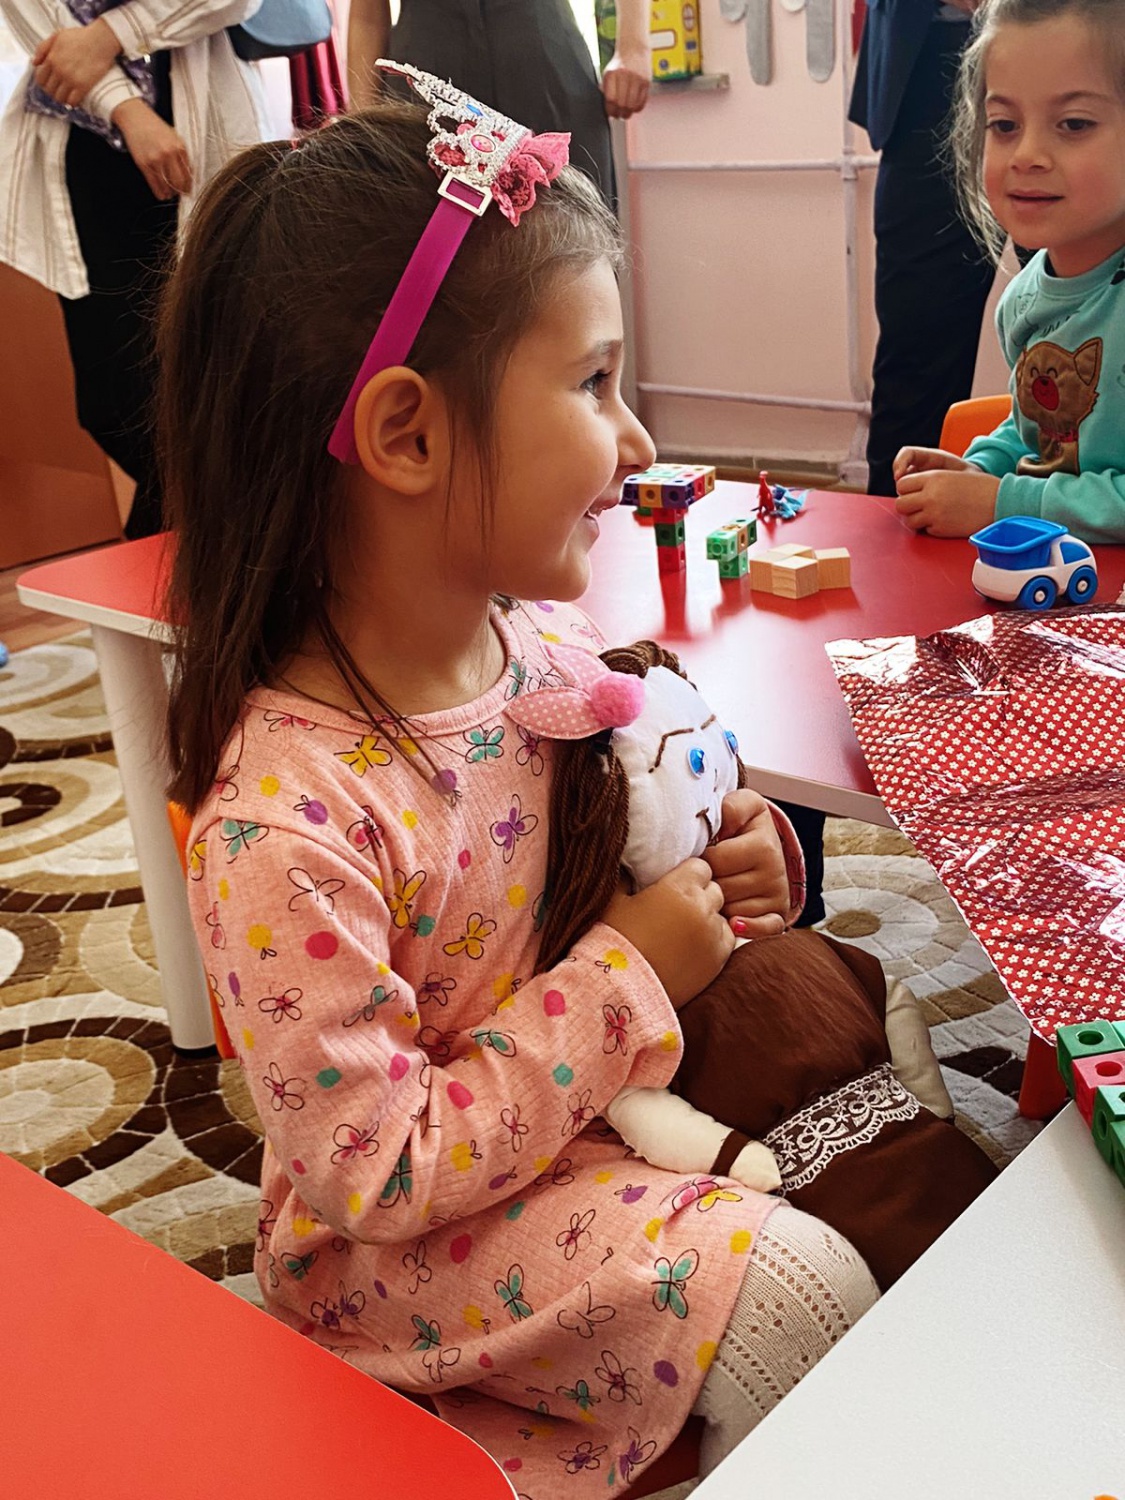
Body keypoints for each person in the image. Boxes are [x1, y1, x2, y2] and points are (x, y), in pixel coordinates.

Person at [161, 71, 879, 1494]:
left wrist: (734, 854)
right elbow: (374, 1173)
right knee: (807, 1292)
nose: (639, 443)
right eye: (595, 382)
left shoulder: (544, 650)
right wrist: (631, 972)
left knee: (875, 1077)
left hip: (594, 1119)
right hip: (399, 1254)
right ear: (409, 435)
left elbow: (636, 831)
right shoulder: (283, 824)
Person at [0, 0, 267, 539]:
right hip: (87, 149)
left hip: (205, 128)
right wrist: (125, 108)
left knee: (219, 381)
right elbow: (36, 19)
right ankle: (227, 553)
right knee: (115, 404)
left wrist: (111, 33)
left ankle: (186, 564)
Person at [893, 0, 1125, 541]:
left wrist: (1002, 501)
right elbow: (1042, 434)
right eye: (1004, 125)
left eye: (1074, 123)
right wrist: (980, 469)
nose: (1027, 154)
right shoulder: (1022, 300)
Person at [851, 0, 997, 499]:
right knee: (917, 351)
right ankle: (889, 534)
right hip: (928, 61)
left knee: (1101, 326)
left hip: (1088, 44)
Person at [345, 0, 652, 205]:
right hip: (426, 75)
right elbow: (366, 16)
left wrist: (634, 47)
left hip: (543, 55)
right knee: (431, 256)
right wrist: (360, 124)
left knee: (579, 244)